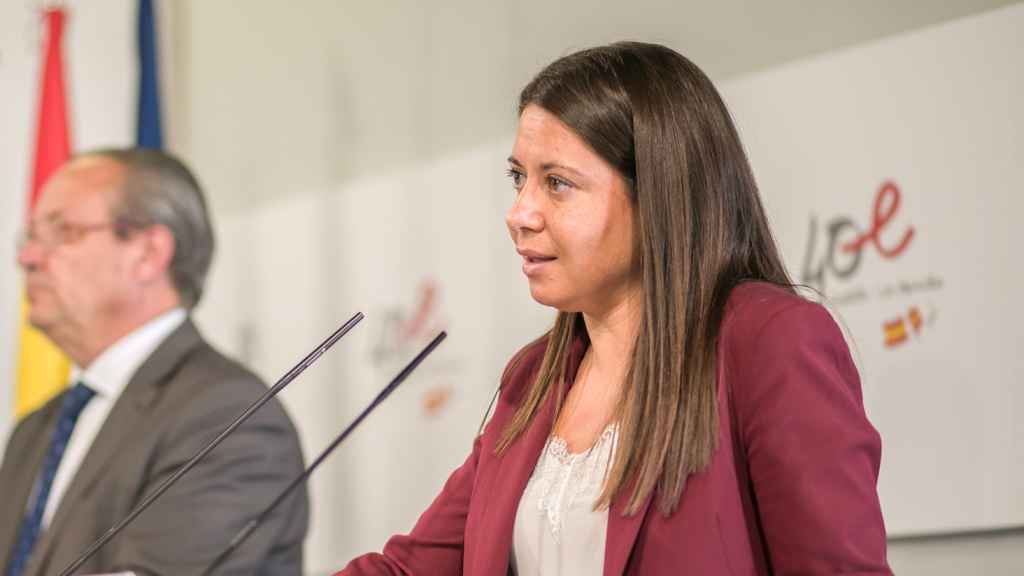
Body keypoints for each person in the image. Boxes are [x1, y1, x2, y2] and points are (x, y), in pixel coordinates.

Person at [338, 41, 890, 575]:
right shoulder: (532, 378)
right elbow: (413, 569)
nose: (518, 213)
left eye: (556, 183)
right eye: (517, 178)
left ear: (657, 195)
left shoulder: (768, 340)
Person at [0, 148, 308, 576]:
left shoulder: (230, 415)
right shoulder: (36, 429)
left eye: (64, 232)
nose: (27, 258)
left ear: (148, 253)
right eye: (29, 238)